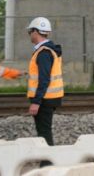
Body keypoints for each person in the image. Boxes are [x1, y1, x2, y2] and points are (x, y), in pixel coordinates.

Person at [26, 17, 63, 146]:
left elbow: (44, 79)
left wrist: (36, 102)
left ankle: (47, 162)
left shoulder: (43, 52)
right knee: (44, 131)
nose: (29, 35)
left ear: (35, 31)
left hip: (44, 99)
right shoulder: (49, 50)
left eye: (30, 32)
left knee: (44, 132)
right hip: (49, 97)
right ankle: (46, 160)